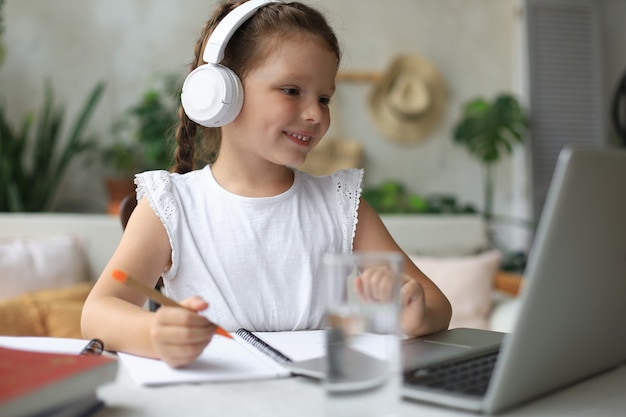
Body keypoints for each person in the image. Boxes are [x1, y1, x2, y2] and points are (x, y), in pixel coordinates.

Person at [81, 0, 451, 368]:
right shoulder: (171, 206)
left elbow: (437, 305)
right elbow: (97, 312)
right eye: (291, 90)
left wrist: (415, 313)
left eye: (324, 98)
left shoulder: (341, 205)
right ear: (220, 92)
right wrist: (155, 333)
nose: (315, 115)